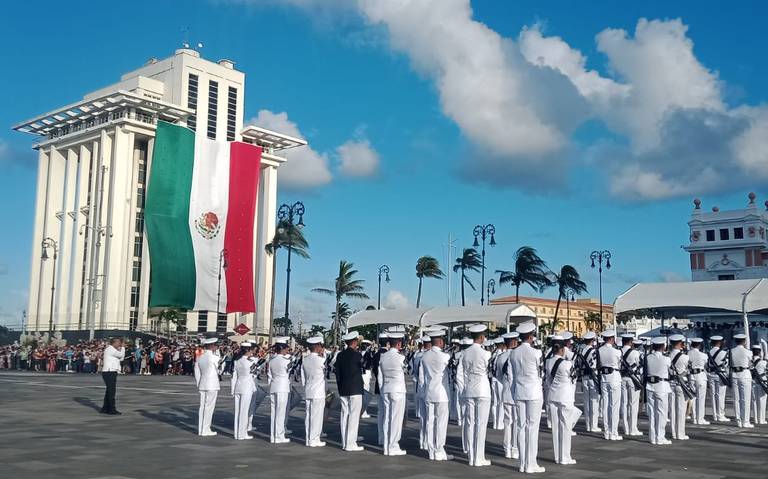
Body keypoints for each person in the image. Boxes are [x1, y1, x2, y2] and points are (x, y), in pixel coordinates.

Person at [509, 322, 545, 474]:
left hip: (519, 392)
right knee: (532, 428)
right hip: (534, 393)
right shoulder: (536, 353)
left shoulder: (513, 353)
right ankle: (531, 463)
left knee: (521, 427)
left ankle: (523, 463)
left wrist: (513, 392)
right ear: (530, 336)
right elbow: (541, 374)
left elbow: (511, 376)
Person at [461, 324, 493, 467]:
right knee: (480, 425)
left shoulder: (465, 353)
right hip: (482, 390)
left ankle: (471, 456)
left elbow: (465, 372)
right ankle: (479, 456)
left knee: (470, 423)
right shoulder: (486, 353)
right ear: (481, 337)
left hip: (469, 390)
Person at [419, 330, 452, 461]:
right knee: (441, 423)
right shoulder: (444, 356)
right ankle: (439, 450)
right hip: (441, 393)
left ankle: (431, 450)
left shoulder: (425, 356)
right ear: (439, 341)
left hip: (429, 392)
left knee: (430, 422)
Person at [546, 336, 580, 465]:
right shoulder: (567, 364)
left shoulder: (548, 362)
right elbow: (573, 380)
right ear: (562, 350)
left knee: (556, 428)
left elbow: (548, 380)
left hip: (553, 396)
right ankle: (565, 457)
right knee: (565, 428)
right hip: (565, 397)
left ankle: (557, 456)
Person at [378, 331, 407, 456]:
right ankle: (393, 446)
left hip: (386, 389)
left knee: (387, 418)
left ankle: (386, 445)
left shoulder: (383, 356)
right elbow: (406, 370)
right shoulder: (401, 357)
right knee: (396, 419)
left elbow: (380, 375)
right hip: (398, 390)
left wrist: (382, 388)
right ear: (399, 343)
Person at [335, 331, 365, 452]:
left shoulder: (340, 355)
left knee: (344, 415)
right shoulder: (357, 356)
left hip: (343, 388)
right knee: (353, 416)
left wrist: (340, 387)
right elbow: (363, 368)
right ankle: (351, 443)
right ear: (354, 342)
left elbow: (337, 373)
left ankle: (344, 441)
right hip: (355, 389)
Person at [645, 336, 672, 445]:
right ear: (663, 346)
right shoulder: (666, 359)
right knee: (662, 413)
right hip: (662, 386)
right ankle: (660, 437)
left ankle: (653, 437)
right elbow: (671, 371)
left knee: (652, 413)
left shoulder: (648, 357)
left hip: (650, 386)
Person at [596, 330, 622, 441]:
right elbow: (619, 364)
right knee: (614, 406)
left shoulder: (599, 350)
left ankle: (606, 431)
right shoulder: (617, 352)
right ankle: (613, 432)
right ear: (612, 339)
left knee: (605, 406)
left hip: (604, 378)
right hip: (614, 378)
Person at [302, 336, 327, 447]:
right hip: (318, 392)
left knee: (308, 416)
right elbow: (326, 372)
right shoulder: (321, 360)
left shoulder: (305, 359)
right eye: (321, 346)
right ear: (317, 346)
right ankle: (314, 439)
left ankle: (309, 438)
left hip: (308, 390)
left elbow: (303, 377)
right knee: (317, 417)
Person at [500, 332, 520, 459]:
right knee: (516, 422)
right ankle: (514, 448)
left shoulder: (500, 357)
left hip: (506, 391)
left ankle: (507, 449)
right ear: (513, 342)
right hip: (516, 392)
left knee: (507, 422)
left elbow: (497, 375)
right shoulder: (517, 356)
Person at [195, 338, 221, 436]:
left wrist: (199, 384)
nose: (216, 346)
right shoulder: (214, 357)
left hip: (203, 383)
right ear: (212, 346)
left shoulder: (200, 357)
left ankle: (202, 429)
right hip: (212, 384)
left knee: (203, 407)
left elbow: (197, 371)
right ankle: (205, 429)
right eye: (215, 345)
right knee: (209, 407)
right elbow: (220, 370)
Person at [268, 337, 292, 443]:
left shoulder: (272, 360)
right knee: (281, 413)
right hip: (282, 387)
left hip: (274, 386)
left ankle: (273, 436)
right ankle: (279, 436)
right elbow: (289, 372)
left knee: (274, 413)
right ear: (282, 349)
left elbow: (269, 374)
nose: (288, 350)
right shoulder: (285, 361)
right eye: (287, 348)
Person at [231, 342, 256, 440]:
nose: (252, 352)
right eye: (251, 350)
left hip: (238, 386)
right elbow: (253, 375)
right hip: (247, 388)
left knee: (238, 412)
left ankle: (238, 433)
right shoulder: (250, 362)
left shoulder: (237, 361)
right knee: (244, 412)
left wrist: (233, 390)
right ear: (248, 350)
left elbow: (234, 376)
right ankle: (242, 434)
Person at [618, 334, 642, 436]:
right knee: (633, 404)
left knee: (624, 403)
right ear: (631, 342)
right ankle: (633, 428)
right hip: (633, 379)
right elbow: (639, 365)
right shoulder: (635, 353)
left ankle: (626, 428)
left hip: (622, 378)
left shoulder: (619, 352)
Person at [668, 334, 690, 440]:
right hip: (681, 384)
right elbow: (687, 370)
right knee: (681, 409)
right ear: (681, 344)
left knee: (672, 409)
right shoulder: (685, 357)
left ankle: (673, 432)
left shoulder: (667, 356)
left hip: (670, 383)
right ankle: (680, 433)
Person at [730, 333, 753, 428]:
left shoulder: (731, 351)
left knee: (736, 399)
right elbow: (751, 364)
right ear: (744, 341)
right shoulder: (748, 352)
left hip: (735, 375)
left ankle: (738, 420)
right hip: (745, 374)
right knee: (745, 399)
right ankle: (745, 421)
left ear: (736, 341)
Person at [412, 335, 431, 450]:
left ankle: (422, 441)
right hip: (429, 390)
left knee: (423, 418)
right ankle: (428, 442)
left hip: (419, 388)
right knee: (430, 418)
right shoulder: (430, 356)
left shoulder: (417, 356)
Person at [579, 332, 600, 432]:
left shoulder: (581, 350)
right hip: (593, 376)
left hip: (584, 377)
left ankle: (588, 425)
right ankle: (593, 425)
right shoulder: (594, 351)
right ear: (592, 340)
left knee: (586, 402)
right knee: (594, 401)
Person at [707, 335, 730, 422]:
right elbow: (726, 365)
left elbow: (707, 365)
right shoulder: (724, 353)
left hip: (711, 374)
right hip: (720, 375)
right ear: (720, 343)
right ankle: (720, 414)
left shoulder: (708, 352)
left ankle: (714, 414)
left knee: (713, 395)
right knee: (720, 395)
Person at [100, 338, 125, 415]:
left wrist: (121, 349)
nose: (120, 344)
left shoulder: (112, 350)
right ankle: (111, 409)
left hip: (111, 371)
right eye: (119, 343)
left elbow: (121, 358)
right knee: (111, 391)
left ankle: (105, 408)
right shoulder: (110, 349)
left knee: (109, 391)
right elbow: (121, 355)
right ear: (114, 343)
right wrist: (123, 348)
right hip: (109, 371)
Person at [372, 332, 389, 446]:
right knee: (388, 414)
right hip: (387, 388)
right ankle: (387, 438)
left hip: (378, 387)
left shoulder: (376, 355)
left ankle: (381, 437)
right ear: (387, 343)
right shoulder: (388, 355)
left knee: (381, 413)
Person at [688, 338, 709, 425]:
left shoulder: (687, 354)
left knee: (693, 397)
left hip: (691, 376)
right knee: (701, 398)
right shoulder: (703, 355)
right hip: (700, 376)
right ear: (700, 345)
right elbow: (705, 365)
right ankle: (700, 418)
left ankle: (694, 417)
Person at [490, 337, 506, 430]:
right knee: (501, 402)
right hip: (499, 380)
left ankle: (495, 423)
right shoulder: (501, 355)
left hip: (493, 379)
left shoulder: (493, 354)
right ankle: (499, 423)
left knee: (495, 402)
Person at [751, 343, 767, 425]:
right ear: (759, 352)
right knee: (762, 400)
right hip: (761, 383)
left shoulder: (749, 361)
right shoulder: (763, 362)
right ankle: (762, 419)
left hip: (752, 383)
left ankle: (756, 419)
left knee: (754, 401)